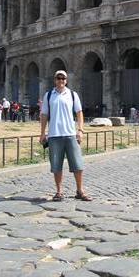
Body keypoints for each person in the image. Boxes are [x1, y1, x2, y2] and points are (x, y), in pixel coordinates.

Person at [39, 69, 92, 202]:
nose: (61, 81)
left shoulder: (73, 95)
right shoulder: (49, 95)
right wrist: (42, 133)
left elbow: (79, 113)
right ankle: (59, 191)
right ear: (55, 80)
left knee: (78, 164)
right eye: (58, 78)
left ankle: (80, 191)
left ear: (66, 81)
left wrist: (80, 130)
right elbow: (44, 115)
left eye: (63, 78)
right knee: (56, 165)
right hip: (54, 134)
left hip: (70, 134)